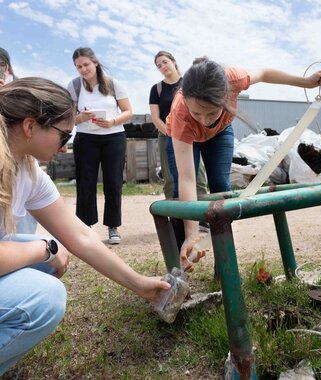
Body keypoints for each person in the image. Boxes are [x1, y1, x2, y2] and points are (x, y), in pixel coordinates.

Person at [0, 77, 170, 376]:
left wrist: (139, 284)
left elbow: (80, 235)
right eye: (63, 136)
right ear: (29, 127)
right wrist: (43, 248)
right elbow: (47, 247)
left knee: (50, 260)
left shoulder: (28, 170)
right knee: (44, 297)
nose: (65, 146)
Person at [165, 57, 321, 269]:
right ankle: (180, 262)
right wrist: (192, 233)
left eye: (212, 112)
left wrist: (306, 82)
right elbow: (188, 178)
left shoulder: (234, 79)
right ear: (186, 100)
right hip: (184, 137)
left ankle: (224, 264)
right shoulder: (181, 113)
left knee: (220, 187)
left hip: (220, 133)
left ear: (226, 95)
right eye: (197, 112)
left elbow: (265, 73)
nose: (204, 120)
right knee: (181, 196)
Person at [67, 47, 131, 244]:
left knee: (113, 183)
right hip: (86, 139)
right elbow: (68, 119)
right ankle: (86, 227)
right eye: (79, 67)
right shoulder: (74, 85)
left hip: (114, 138)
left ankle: (113, 227)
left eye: (86, 64)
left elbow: (128, 112)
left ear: (95, 62)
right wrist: (80, 117)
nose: (83, 69)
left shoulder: (113, 83)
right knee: (85, 183)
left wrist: (112, 122)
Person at [149, 51, 208, 201]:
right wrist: (171, 133)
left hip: (189, 133)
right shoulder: (156, 89)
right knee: (170, 179)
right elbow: (155, 118)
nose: (162, 66)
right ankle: (176, 220)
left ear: (173, 61)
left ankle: (202, 218)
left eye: (165, 62)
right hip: (166, 135)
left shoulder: (188, 83)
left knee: (198, 176)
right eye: (159, 66)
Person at [0, 47, 38, 234]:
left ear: (7, 69)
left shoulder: (18, 91)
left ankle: (23, 239)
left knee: (22, 194)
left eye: (1, 66)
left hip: (17, 155)